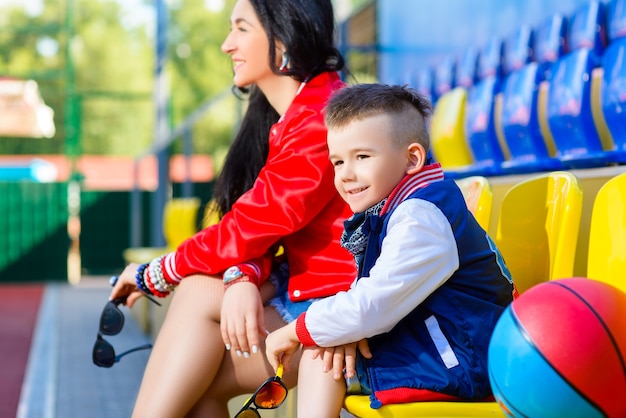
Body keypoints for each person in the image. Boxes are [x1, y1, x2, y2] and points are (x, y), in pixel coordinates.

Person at [109, 0, 357, 416]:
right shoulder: (296, 115)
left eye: (241, 29)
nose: (227, 44)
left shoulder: (323, 119)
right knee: (195, 383)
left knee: (192, 361)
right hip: (307, 295)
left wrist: (157, 273)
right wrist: (241, 274)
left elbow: (250, 225)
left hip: (348, 317)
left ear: (284, 36)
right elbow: (260, 225)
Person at [265, 84, 516, 417]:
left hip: (462, 365)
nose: (346, 175)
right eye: (338, 162)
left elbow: (373, 305)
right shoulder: (393, 210)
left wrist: (295, 330)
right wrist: (346, 331)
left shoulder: (423, 214)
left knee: (320, 351)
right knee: (328, 348)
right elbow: (370, 300)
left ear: (412, 158)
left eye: (362, 157)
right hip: (442, 353)